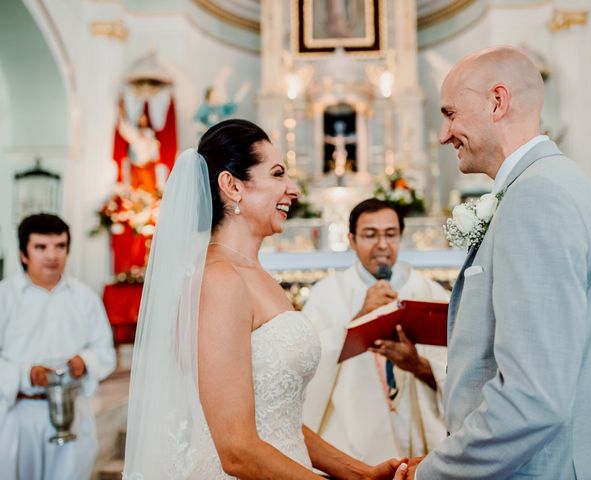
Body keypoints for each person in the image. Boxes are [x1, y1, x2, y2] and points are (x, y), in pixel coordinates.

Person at [123, 119, 409, 479]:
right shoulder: (219, 279)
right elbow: (237, 450)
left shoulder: (255, 274)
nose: (293, 189)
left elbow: (277, 416)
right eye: (277, 174)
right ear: (232, 185)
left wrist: (359, 473)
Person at [412, 46, 591, 478]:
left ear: (497, 101)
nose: (443, 134)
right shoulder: (557, 181)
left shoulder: (536, 197)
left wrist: (433, 473)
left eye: (451, 113)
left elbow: (532, 398)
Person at [303, 198, 448, 464]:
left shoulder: (430, 292)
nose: (382, 245)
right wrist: (359, 317)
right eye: (370, 235)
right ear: (352, 239)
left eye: (390, 234)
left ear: (401, 236)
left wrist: (418, 365)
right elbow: (306, 364)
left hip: (419, 442)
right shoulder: (327, 293)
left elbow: (459, 370)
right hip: (348, 441)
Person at [0, 213, 116, 480]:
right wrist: (25, 374)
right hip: (19, 413)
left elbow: (105, 351)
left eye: (60, 246)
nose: (52, 255)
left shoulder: (85, 297)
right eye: (41, 247)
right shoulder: (4, 297)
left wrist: (85, 361)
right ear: (23, 254)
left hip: (72, 411)